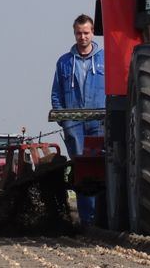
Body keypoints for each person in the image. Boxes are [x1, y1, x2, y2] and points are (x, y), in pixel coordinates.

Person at [50, 13, 105, 226]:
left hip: (99, 122)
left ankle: (101, 218)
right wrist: (64, 119)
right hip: (74, 124)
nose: (82, 37)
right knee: (81, 170)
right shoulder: (64, 62)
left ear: (92, 33)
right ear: (74, 34)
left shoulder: (105, 59)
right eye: (79, 33)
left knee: (100, 169)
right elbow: (56, 94)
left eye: (86, 33)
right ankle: (87, 221)